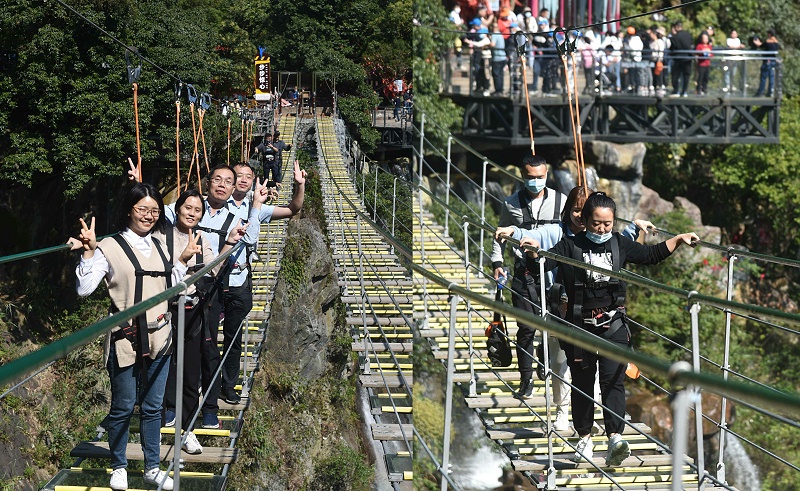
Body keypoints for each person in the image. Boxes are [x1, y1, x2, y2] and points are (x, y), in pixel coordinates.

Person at [520, 192, 698, 467]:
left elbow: (650, 255)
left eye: (607, 224)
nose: (602, 229)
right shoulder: (569, 245)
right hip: (578, 327)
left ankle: (615, 437)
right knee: (582, 384)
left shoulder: (619, 244)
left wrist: (678, 239)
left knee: (613, 380)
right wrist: (532, 250)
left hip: (613, 324)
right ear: (585, 220)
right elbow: (542, 263)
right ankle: (585, 437)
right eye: (596, 224)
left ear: (614, 222)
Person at [494, 187, 654, 431]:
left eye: (584, 211)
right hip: (560, 309)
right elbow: (532, 234)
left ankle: (594, 421)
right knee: (561, 364)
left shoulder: (600, 234)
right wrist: (514, 232)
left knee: (594, 369)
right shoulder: (558, 233)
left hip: (593, 316)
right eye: (577, 210)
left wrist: (634, 227)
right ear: (568, 210)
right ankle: (562, 411)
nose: (580, 216)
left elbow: (617, 245)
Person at [75, 183, 197, 491]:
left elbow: (171, 283)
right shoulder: (110, 246)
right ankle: (119, 465)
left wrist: (182, 261)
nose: (148, 215)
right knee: (124, 406)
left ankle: (152, 467)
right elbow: (85, 289)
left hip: (161, 335)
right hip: (125, 337)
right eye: (142, 209)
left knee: (153, 407)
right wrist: (89, 252)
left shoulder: (160, 244)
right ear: (129, 209)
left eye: (154, 210)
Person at [161, 189, 247, 456]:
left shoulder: (202, 239)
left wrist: (230, 243)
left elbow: (214, 269)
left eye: (197, 210)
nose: (192, 213)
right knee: (165, 364)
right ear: (177, 209)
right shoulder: (159, 237)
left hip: (193, 311)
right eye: (187, 208)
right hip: (164, 311)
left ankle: (186, 430)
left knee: (190, 372)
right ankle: (162, 418)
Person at [217, 160, 306, 406]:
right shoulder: (214, 203)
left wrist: (300, 185)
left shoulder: (256, 207)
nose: (243, 179)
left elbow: (292, 209)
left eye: (248, 176)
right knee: (206, 337)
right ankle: (209, 383)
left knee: (233, 338)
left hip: (239, 279)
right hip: (213, 279)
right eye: (238, 175)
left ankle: (228, 385)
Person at [491, 155, 566, 407]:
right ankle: (526, 380)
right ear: (522, 176)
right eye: (531, 177)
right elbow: (500, 233)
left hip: (553, 272)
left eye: (540, 177)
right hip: (524, 271)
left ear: (547, 175)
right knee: (526, 328)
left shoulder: (560, 201)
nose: (536, 182)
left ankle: (546, 362)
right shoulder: (511, 203)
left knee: (552, 324)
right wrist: (497, 263)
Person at [465, 18, 492, 96]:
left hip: (487, 58)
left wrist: (469, 42)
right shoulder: (483, 38)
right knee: (481, 73)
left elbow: (479, 44)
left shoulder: (486, 40)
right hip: (483, 58)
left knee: (486, 73)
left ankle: (487, 88)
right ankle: (480, 87)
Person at [669, 21, 694, 97]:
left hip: (678, 59)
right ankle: (684, 91)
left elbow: (672, 49)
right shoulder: (688, 35)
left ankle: (676, 90)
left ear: (676, 27)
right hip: (688, 58)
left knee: (675, 75)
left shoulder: (675, 37)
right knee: (686, 75)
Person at [754, 29, 780, 97]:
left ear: (769, 34)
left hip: (767, 61)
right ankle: (770, 92)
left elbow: (761, 45)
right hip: (773, 61)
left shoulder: (768, 42)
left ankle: (760, 92)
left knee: (763, 77)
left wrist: (757, 42)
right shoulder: (776, 43)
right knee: (771, 77)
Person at [489, 20, 507, 95]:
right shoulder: (500, 34)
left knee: (496, 74)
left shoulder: (494, 35)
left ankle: (498, 90)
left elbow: (492, 44)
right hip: (503, 57)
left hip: (497, 58)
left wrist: (487, 45)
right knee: (501, 74)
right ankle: (501, 89)